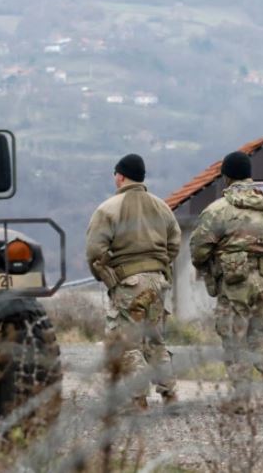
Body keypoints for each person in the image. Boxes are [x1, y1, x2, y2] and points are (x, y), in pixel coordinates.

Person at [189, 151, 263, 412]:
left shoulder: (218, 210)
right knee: (260, 336)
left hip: (234, 283)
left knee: (234, 339)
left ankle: (242, 399)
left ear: (226, 177)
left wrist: (212, 267)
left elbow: (198, 249)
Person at [85, 153, 181, 410]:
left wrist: (109, 278)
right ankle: (170, 394)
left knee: (128, 343)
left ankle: (137, 399)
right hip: (158, 282)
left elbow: (95, 251)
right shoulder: (162, 207)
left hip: (129, 283)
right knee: (155, 340)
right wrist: (159, 267)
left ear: (120, 176)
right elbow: (174, 243)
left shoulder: (108, 209)